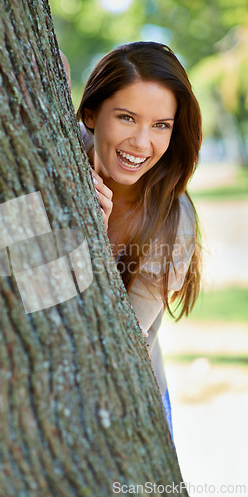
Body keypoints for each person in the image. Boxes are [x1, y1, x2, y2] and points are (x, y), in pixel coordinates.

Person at [76, 42, 202, 436]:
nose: (141, 143)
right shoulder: (59, 153)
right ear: (91, 114)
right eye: (127, 117)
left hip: (129, 398)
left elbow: (118, 344)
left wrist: (91, 240)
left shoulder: (174, 221)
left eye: (161, 125)